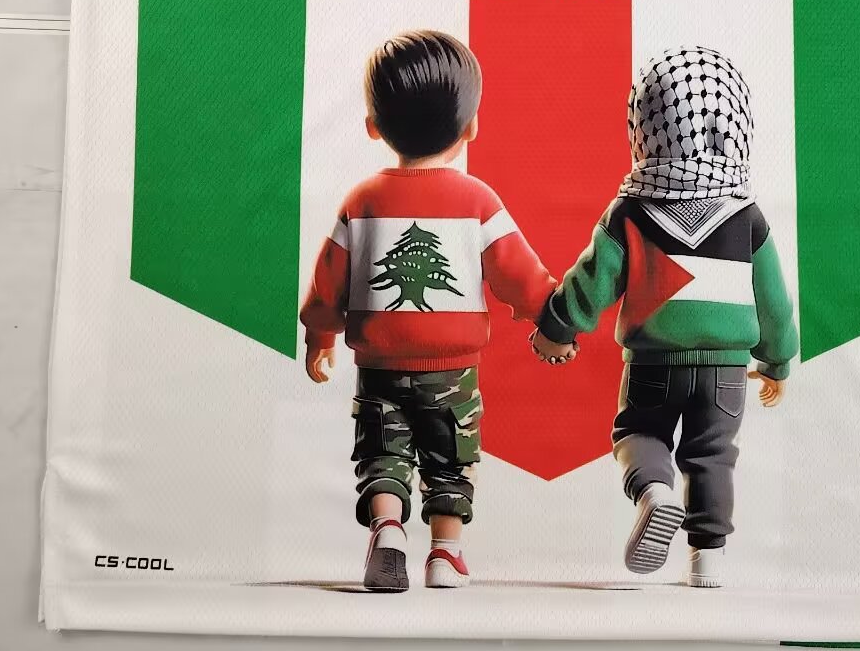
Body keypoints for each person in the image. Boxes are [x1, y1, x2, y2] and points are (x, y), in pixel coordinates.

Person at [301, 30, 556, 592]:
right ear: (471, 128)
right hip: (453, 371)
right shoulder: (479, 202)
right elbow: (519, 274)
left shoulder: (361, 201)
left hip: (378, 367)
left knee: (383, 451)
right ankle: (445, 555)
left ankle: (388, 528)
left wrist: (320, 335)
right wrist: (551, 315)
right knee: (450, 458)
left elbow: (328, 282)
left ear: (373, 125)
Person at [531, 46, 796, 588]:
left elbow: (590, 282)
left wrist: (557, 327)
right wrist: (777, 360)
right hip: (726, 372)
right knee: (713, 455)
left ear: (644, 128)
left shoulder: (630, 210)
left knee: (639, 430)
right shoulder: (747, 217)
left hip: (652, 365)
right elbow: (774, 300)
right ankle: (706, 562)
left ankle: (653, 490)